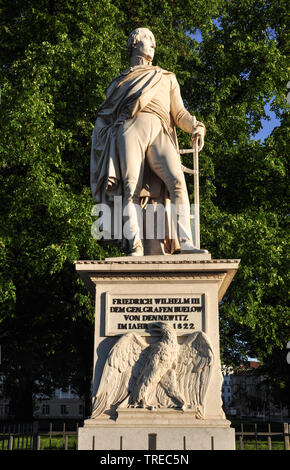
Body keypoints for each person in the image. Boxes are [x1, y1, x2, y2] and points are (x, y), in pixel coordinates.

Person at [90, 27, 206, 256]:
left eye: (154, 40)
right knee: (130, 186)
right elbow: (104, 118)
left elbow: (179, 113)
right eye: (149, 38)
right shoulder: (118, 83)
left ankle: (186, 243)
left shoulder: (166, 77)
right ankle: (135, 246)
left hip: (161, 129)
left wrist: (196, 126)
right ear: (134, 42)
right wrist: (102, 142)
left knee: (178, 182)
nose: (153, 44)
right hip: (129, 129)